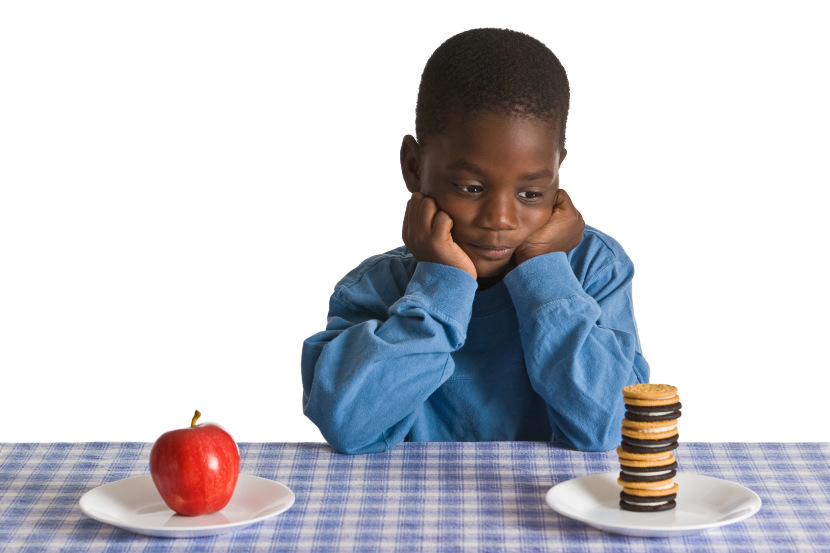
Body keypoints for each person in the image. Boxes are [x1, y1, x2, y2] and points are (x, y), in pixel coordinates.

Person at [301, 28, 649, 454]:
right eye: (469, 187)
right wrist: (443, 284)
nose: (500, 220)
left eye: (531, 194)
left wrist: (544, 274)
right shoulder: (376, 288)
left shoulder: (593, 268)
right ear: (414, 167)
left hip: (548, 511)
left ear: (557, 172)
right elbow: (349, 427)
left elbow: (610, 429)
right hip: (414, 512)